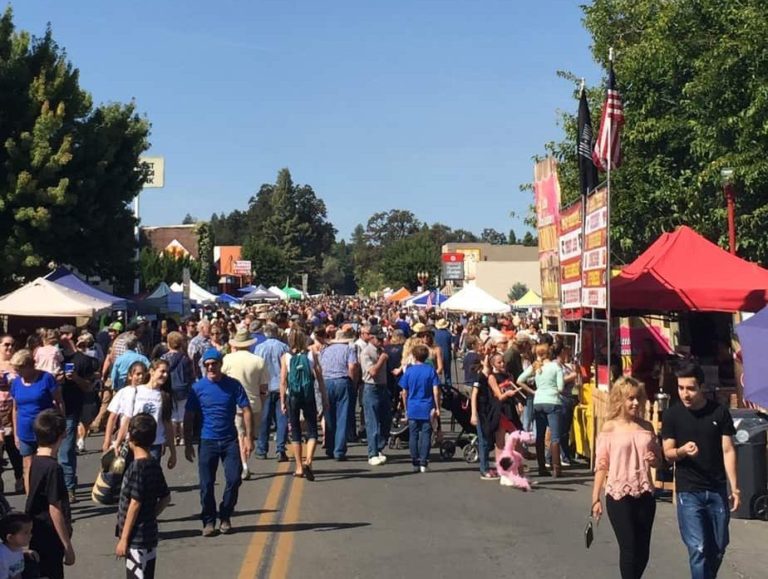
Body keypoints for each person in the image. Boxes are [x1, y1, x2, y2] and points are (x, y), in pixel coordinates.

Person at [661, 360, 739, 579]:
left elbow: (728, 450)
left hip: (716, 488)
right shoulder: (672, 415)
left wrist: (735, 487)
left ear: (702, 387)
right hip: (689, 490)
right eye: (681, 388)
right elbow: (667, 452)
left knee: (718, 545)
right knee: (698, 548)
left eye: (690, 388)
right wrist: (682, 451)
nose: (685, 394)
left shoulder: (719, 413)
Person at [591, 377, 661, 579]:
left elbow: (658, 461)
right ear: (619, 400)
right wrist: (595, 497)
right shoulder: (609, 427)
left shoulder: (647, 427)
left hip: (645, 493)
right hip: (618, 494)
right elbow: (602, 464)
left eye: (638, 398)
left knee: (643, 550)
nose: (636, 403)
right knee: (629, 546)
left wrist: (654, 459)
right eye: (630, 398)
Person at [184, 348, 253, 537]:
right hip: (207, 441)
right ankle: (208, 521)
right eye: (207, 365)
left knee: (234, 479)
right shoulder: (198, 388)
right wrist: (188, 443)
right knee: (206, 484)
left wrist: (248, 437)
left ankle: (225, 514)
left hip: (230, 440)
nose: (211, 367)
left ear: (220, 364)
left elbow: (246, 410)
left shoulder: (233, 385)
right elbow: (189, 416)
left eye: (214, 364)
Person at [115, 414, 171, 579]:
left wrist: (124, 538)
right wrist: (150, 515)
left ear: (130, 437)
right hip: (149, 533)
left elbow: (135, 503)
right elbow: (166, 497)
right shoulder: (153, 464)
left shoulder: (137, 468)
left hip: (136, 539)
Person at [25, 410, 74, 579]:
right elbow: (55, 508)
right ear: (62, 435)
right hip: (50, 535)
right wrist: (67, 545)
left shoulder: (35, 461)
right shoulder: (54, 468)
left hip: (36, 530)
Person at [10, 350, 64, 493]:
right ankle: (31, 500)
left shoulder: (46, 378)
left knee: (47, 464)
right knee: (27, 465)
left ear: (29, 366)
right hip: (24, 430)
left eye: (18, 369)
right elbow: (15, 409)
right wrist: (16, 433)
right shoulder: (16, 383)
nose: (16, 372)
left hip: (45, 429)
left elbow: (59, 402)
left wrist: (61, 427)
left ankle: (51, 497)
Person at [279, 330, 327, 480]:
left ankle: (299, 466)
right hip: (308, 395)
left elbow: (283, 381)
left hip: (293, 396)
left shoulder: (286, 357)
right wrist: (324, 398)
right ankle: (309, 461)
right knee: (312, 429)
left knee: (295, 431)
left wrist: (282, 401)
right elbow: (319, 377)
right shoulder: (311, 355)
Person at [57, 325, 97, 503]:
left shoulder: (83, 360)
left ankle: (69, 487)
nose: (60, 338)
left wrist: (75, 378)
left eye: (63, 334)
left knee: (65, 450)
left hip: (71, 408)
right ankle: (62, 483)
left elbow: (88, 386)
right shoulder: (54, 357)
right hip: (51, 409)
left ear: (71, 335)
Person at [112, 360, 177, 469]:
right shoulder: (136, 391)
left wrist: (173, 452)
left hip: (154, 444)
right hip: (134, 443)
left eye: (167, 372)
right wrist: (117, 443)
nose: (165, 375)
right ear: (152, 371)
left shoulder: (164, 396)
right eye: (162, 371)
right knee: (131, 478)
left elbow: (167, 425)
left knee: (150, 480)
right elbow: (127, 419)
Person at [222, 329, 267, 480]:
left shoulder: (227, 359)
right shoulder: (258, 361)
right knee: (251, 434)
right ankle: (246, 458)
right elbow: (263, 387)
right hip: (254, 402)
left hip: (234, 403)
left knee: (240, 434)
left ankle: (245, 464)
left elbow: (221, 379)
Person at [517, 343, 564, 477]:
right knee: (555, 437)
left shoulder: (536, 366)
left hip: (538, 400)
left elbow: (520, 380)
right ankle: (556, 468)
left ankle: (541, 467)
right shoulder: (556, 367)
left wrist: (533, 391)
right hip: (553, 400)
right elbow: (560, 387)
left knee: (540, 435)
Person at [399, 344, 440, 473]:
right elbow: (436, 390)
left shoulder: (409, 371)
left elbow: (404, 391)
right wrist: (437, 406)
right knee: (426, 434)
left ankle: (415, 461)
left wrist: (406, 408)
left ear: (414, 356)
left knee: (413, 434)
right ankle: (424, 461)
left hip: (412, 405)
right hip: (427, 406)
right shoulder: (430, 370)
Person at [319, 329, 358, 461]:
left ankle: (330, 447)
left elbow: (320, 366)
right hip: (342, 380)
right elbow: (352, 367)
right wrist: (352, 381)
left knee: (329, 415)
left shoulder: (325, 350)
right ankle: (339, 450)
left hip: (327, 381)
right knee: (343, 416)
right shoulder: (349, 349)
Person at [253, 323, 289, 462]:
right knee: (282, 418)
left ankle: (262, 449)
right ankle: (281, 449)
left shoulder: (259, 348)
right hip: (281, 386)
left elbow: (257, 368)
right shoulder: (283, 347)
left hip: (265, 387)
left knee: (264, 420)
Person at [360, 327, 391, 466]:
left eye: (382, 339)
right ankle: (372, 453)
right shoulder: (367, 352)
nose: (381, 341)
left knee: (386, 420)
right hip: (371, 387)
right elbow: (372, 372)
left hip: (383, 387)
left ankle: (379, 447)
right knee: (372, 421)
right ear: (371, 338)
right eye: (379, 339)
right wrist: (381, 360)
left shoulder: (381, 350)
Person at [160, 332, 195, 446]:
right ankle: (184, 438)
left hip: (169, 388)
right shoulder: (185, 358)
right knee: (183, 414)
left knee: (173, 415)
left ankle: (174, 438)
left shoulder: (164, 358)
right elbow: (191, 375)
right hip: (183, 389)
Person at [0, 336, 24, 495]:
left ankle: (20, 478)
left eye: (12, 345)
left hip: (13, 408)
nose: (9, 348)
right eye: (6, 344)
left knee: (14, 446)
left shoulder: (17, 364)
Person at [0, 511, 33, 579]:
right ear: (10, 538)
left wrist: (26, 552)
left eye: (30, 531)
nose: (30, 535)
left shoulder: (17, 547)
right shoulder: (2, 558)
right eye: (26, 532)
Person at [433, 319, 454, 386]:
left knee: (437, 371)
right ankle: (448, 388)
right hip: (447, 354)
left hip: (436, 354)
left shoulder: (434, 333)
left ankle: (437, 386)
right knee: (447, 373)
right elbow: (452, 346)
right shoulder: (449, 334)